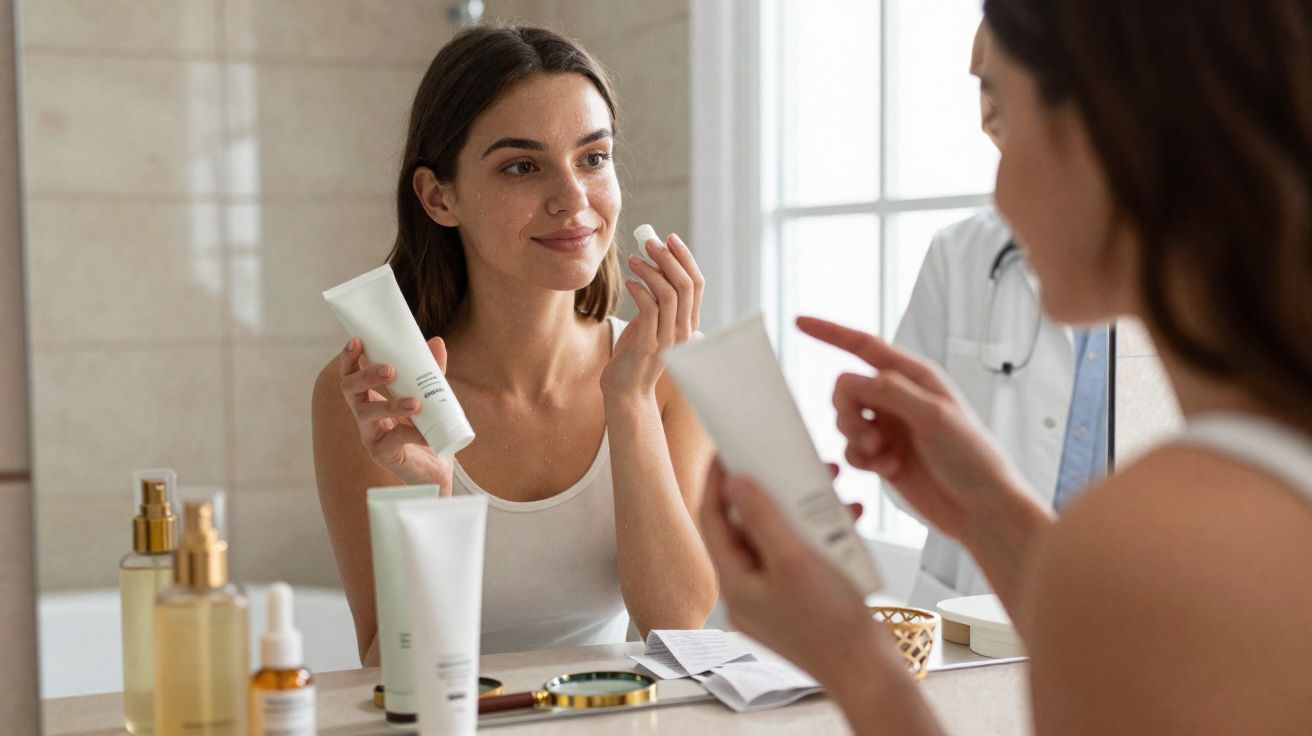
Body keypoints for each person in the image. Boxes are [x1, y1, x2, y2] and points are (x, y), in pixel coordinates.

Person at [701, 1, 1312, 733]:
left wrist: (853, 662)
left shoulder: (1166, 536)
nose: (999, 191)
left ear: (1103, 131)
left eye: (1007, 120)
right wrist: (990, 511)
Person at [311, 25, 717, 663]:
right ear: (439, 197)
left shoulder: (662, 372)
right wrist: (431, 493)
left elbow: (676, 626)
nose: (573, 200)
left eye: (593, 157)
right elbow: (388, 666)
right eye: (521, 166)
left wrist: (631, 398)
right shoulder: (381, 397)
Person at [893, 21, 1109, 607]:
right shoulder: (962, 253)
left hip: (1129, 605)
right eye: (982, 92)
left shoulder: (1214, 276)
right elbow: (903, 458)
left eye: (1001, 92)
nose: (985, 113)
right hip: (979, 601)